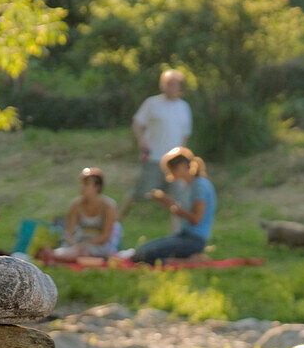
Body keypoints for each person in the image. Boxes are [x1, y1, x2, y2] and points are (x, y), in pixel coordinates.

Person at [120, 70, 192, 223]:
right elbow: (137, 123)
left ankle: (177, 237)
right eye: (167, 84)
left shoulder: (184, 107)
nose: (169, 87)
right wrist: (141, 140)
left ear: (180, 87)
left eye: (173, 84)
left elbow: (185, 136)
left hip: (174, 164)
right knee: (139, 193)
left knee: (177, 199)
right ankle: (116, 222)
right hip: (154, 157)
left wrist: (183, 160)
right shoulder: (152, 103)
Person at [129, 147, 216, 264]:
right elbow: (183, 212)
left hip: (194, 240)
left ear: (181, 167)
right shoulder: (189, 186)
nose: (170, 176)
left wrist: (173, 205)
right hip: (184, 235)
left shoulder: (200, 186)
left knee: (144, 255)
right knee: (141, 252)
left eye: (171, 171)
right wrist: (166, 202)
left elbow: (196, 219)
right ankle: (187, 259)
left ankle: (189, 261)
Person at [50, 168, 121, 261]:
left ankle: (54, 255)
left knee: (82, 251)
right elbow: (69, 231)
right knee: (74, 249)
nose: (82, 187)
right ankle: (57, 254)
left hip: (101, 245)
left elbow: (105, 236)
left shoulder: (109, 206)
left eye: (86, 184)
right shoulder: (75, 204)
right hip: (80, 241)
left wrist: (85, 244)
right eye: (82, 184)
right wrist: (74, 243)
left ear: (97, 187)